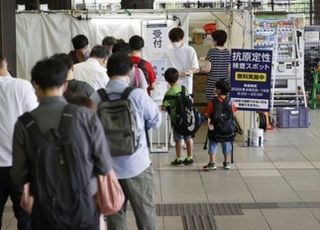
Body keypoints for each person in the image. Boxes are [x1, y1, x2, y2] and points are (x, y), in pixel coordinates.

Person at [11, 58, 114, 230]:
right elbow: (104, 165)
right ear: (65, 85)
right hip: (84, 207)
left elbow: (18, 176)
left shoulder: (24, 124)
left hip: (44, 210)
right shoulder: (85, 116)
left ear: (35, 85)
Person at [91, 53, 161, 230]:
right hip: (137, 165)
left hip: (109, 169)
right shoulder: (137, 95)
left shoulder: (96, 98)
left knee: (115, 218)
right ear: (130, 71)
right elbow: (156, 120)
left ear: (107, 72)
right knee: (146, 215)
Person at [0, 56, 38, 230]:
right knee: (25, 218)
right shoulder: (22, 86)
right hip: (20, 165)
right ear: (5, 62)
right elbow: (35, 122)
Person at [162, 68, 194, 166]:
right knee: (188, 138)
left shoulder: (168, 93)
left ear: (166, 80)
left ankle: (179, 159)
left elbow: (164, 107)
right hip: (188, 118)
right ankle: (189, 158)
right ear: (178, 77)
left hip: (177, 120)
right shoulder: (184, 88)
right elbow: (190, 100)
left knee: (178, 139)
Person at [202, 79, 237, 170]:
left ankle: (212, 163)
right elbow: (234, 114)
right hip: (228, 130)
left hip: (215, 129)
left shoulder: (212, 102)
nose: (214, 89)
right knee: (226, 144)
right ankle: (226, 163)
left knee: (213, 144)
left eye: (216, 88)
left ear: (219, 91)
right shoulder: (231, 101)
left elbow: (206, 114)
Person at [164, 27, 199, 97]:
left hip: (185, 86)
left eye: (176, 40)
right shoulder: (167, 51)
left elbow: (196, 68)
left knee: (186, 105)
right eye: (173, 41)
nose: (175, 43)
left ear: (182, 38)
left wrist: (187, 72)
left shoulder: (189, 50)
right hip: (172, 86)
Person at [201, 30, 231, 102]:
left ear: (215, 41)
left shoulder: (211, 52)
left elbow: (207, 69)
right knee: (224, 107)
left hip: (213, 86)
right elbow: (229, 69)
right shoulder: (228, 53)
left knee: (213, 108)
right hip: (225, 86)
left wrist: (202, 69)